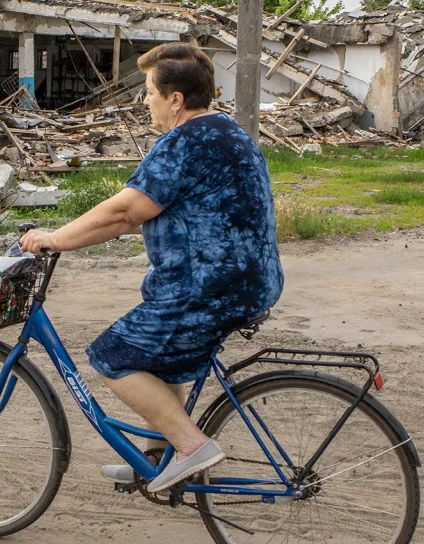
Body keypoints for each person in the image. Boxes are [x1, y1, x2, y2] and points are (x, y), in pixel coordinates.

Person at [20, 43, 283, 493]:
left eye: (149, 92)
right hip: (251, 280)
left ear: (175, 99)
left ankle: (190, 446)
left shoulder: (182, 143)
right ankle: (158, 459)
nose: (145, 101)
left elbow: (126, 211)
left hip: (206, 288)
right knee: (158, 357)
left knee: (113, 355)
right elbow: (142, 212)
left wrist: (55, 238)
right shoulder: (229, 131)